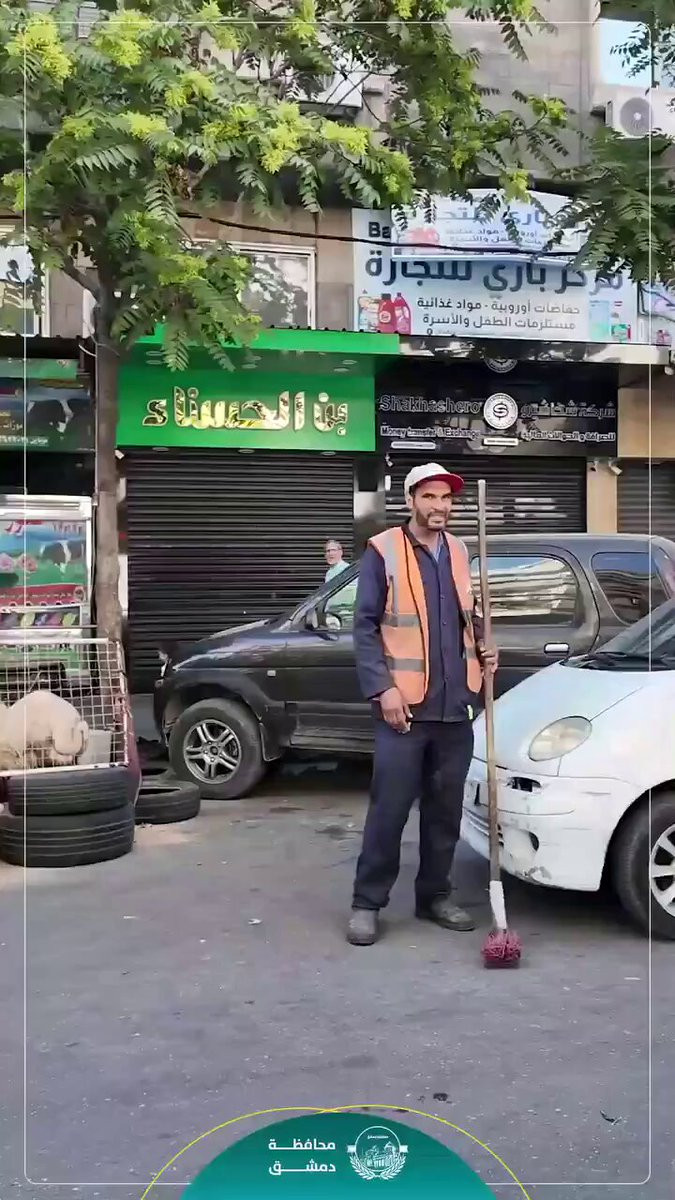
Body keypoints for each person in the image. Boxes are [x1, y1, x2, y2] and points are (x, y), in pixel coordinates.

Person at [347, 463, 498, 947]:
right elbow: (364, 627)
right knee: (389, 811)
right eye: (430, 496)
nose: (439, 506)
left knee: (444, 813)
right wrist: (382, 689)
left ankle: (434, 896)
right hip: (405, 711)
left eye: (446, 498)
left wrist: (486, 646)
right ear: (410, 499)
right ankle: (367, 902)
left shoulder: (459, 551)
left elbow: (469, 614)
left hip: (456, 708)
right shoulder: (384, 550)